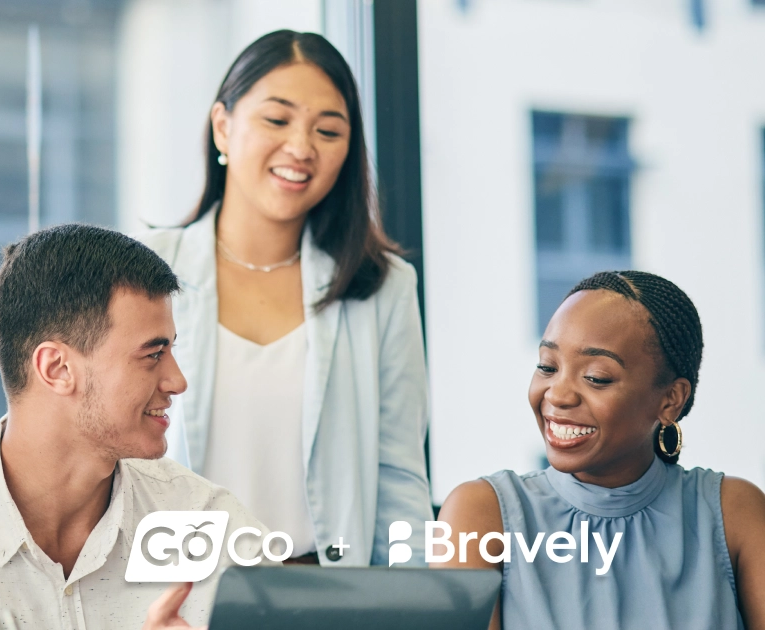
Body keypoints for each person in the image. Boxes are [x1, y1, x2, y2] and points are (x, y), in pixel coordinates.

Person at [0, 225, 266, 630]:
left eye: (170, 350)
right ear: (57, 368)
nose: (177, 381)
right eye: (152, 354)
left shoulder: (205, 519)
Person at [137, 30, 433, 566]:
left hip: (328, 596)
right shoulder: (144, 269)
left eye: (328, 130)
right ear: (223, 127)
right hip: (172, 597)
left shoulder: (383, 286)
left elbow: (400, 481)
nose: (301, 148)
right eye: (277, 120)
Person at [434, 271, 765, 629]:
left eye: (596, 377)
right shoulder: (479, 514)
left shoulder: (735, 513)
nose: (558, 395)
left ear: (671, 400)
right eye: (547, 367)